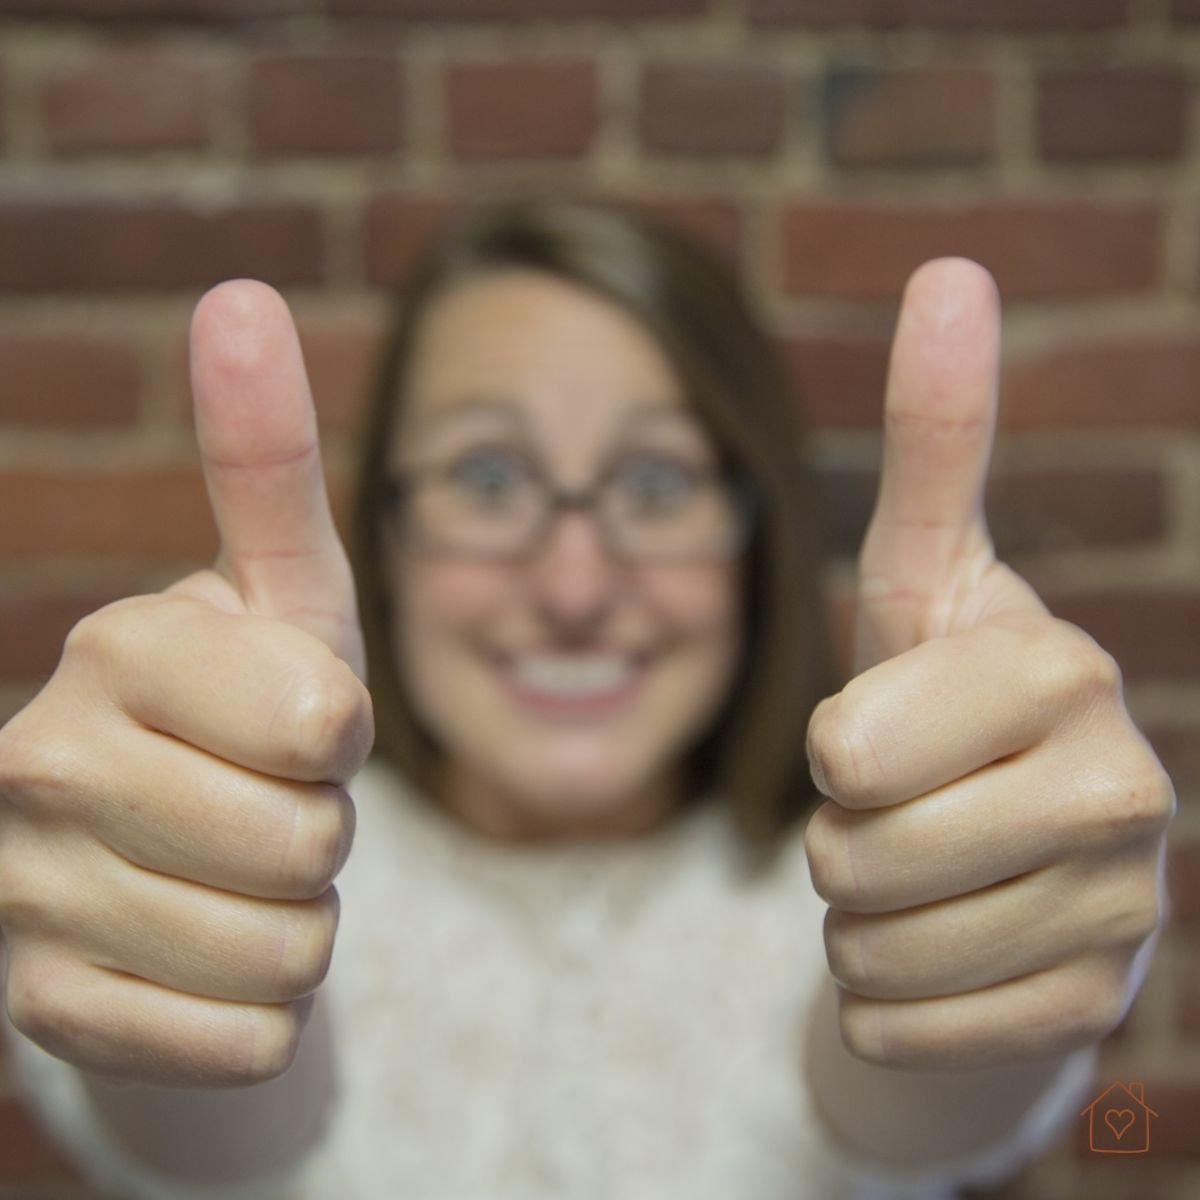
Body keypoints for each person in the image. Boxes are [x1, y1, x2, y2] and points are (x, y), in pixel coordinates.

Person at [0, 201, 1175, 1199]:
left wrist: (976, 904)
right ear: (387, 534)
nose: (572, 587)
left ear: (753, 529)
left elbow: (919, 1089)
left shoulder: (851, 895)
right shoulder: (253, 868)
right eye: (488, 475)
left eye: (657, 482)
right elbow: (215, 1124)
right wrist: (175, 935)